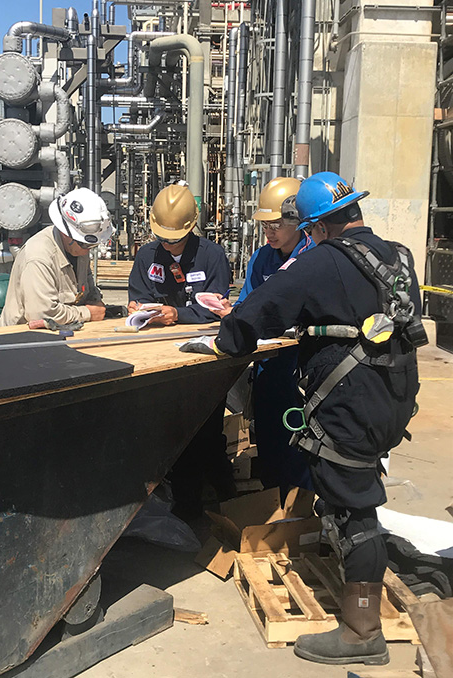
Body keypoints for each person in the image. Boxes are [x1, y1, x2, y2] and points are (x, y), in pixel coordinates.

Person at [181, 171, 427, 665]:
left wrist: (223, 340)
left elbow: (254, 316)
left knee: (351, 509)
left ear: (316, 227)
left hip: (349, 402)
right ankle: (358, 595)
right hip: (393, 396)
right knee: (353, 492)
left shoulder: (323, 262)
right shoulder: (397, 255)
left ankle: (362, 633)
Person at [128, 183, 235, 518]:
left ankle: (220, 497)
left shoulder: (212, 255)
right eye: (163, 237)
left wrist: (180, 315)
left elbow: (217, 308)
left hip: (204, 358)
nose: (168, 244)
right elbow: (137, 297)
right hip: (160, 358)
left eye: (175, 238)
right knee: (170, 429)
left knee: (207, 430)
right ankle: (179, 501)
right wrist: (141, 310)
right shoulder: (147, 256)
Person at [236, 177, 315, 501]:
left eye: (277, 224)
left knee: (299, 444)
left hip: (301, 372)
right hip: (267, 367)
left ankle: (300, 514)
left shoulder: (313, 258)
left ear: (299, 222)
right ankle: (270, 506)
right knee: (268, 439)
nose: (270, 231)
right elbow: (247, 302)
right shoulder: (261, 259)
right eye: (266, 224)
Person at [0, 187, 112, 327]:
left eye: (92, 246)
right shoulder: (39, 256)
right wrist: (87, 313)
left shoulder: (78, 248)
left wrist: (97, 303)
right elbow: (40, 314)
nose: (86, 251)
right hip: (21, 339)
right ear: (65, 233)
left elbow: (86, 291)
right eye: (84, 245)